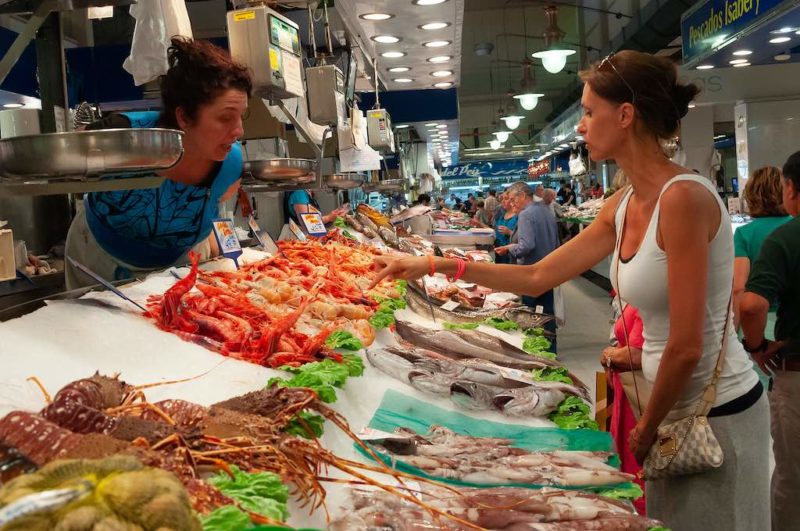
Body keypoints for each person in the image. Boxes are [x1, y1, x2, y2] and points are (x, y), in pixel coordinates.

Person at [370, 50, 768, 531]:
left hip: (713, 419)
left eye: (587, 111)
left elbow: (687, 347)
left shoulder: (682, 198)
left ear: (625, 116)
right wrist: (434, 264)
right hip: (666, 414)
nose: (580, 126)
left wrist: (642, 432)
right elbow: (538, 276)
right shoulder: (623, 203)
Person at [65, 37, 252, 289]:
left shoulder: (230, 162)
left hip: (178, 264)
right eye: (226, 118)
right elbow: (71, 156)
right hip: (99, 261)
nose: (239, 130)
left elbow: (214, 208)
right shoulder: (124, 137)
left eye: (242, 116)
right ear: (184, 116)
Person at [740, 151, 800, 531]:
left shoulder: (785, 238)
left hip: (797, 373)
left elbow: (749, 302)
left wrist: (756, 346)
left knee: (793, 482)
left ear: (791, 189)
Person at [494, 182, 559, 346]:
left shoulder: (526, 214)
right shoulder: (545, 209)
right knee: (545, 312)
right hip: (549, 269)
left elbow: (527, 246)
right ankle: (550, 348)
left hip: (532, 271)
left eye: (513, 199)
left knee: (532, 314)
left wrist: (510, 249)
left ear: (523, 195)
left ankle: (537, 350)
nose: (511, 203)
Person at [733, 166, 792, 334]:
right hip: (793, 322)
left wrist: (734, 334)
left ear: (751, 195)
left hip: (759, 325)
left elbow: (739, 288)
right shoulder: (795, 227)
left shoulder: (744, 234)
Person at [600, 300, 646, 515]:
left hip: (641, 400)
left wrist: (608, 355)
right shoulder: (636, 296)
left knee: (639, 473)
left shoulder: (650, 300)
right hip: (628, 393)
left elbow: (637, 354)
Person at [494, 194, 518, 265]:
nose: (503, 201)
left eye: (506, 199)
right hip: (498, 250)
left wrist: (510, 232)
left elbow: (524, 239)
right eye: (502, 199)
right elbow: (495, 231)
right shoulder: (502, 215)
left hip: (510, 254)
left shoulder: (518, 216)